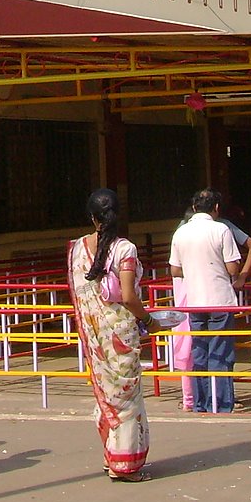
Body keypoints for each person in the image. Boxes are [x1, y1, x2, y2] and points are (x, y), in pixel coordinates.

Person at [66, 188, 154, 480]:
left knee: (108, 396)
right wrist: (149, 319)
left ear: (92, 217)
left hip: (96, 336)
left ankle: (111, 456)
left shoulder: (77, 249)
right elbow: (128, 296)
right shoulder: (124, 249)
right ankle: (124, 465)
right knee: (126, 399)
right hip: (120, 334)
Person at [170, 188, 243, 413]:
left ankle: (201, 402)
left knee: (199, 352)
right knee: (220, 353)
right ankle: (220, 403)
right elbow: (232, 267)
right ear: (216, 208)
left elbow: (175, 270)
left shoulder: (181, 233)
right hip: (220, 298)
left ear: (193, 207)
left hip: (194, 300)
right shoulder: (220, 229)